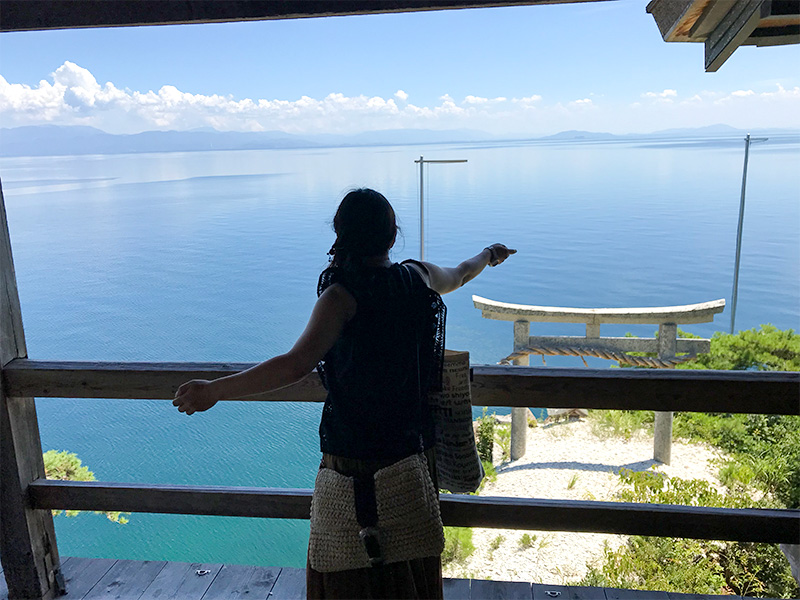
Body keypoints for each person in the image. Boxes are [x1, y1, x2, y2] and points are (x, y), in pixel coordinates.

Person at [173, 188, 516, 599]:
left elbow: (295, 364)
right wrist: (489, 254)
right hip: (410, 451)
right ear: (392, 237)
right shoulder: (419, 277)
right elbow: (460, 273)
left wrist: (215, 390)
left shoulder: (340, 298)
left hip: (352, 458)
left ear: (340, 236)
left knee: (345, 561)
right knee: (410, 558)